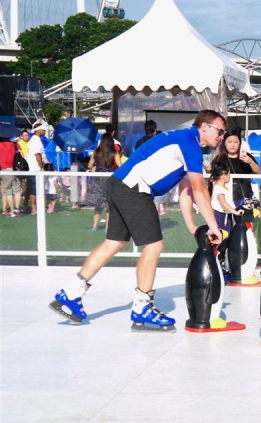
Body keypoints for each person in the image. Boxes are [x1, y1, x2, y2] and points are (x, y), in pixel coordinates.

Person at [49, 110, 226, 332]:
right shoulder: (189, 143)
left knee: (114, 243)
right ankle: (142, 307)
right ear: (205, 126)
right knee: (153, 245)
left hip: (120, 184)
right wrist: (214, 227)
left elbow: (186, 191)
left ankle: (70, 293)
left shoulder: (184, 140)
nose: (221, 136)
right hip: (134, 189)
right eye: (220, 131)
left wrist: (192, 226)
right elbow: (200, 190)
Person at [212, 130, 261, 219]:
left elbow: (258, 172)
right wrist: (208, 169)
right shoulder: (219, 158)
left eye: (235, 142)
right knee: (227, 225)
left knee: (247, 225)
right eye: (229, 142)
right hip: (226, 198)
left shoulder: (246, 156)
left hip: (245, 197)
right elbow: (213, 177)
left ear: (240, 143)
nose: (232, 145)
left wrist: (250, 162)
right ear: (224, 143)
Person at [86, 135, 122, 231]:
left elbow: (89, 165)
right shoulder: (114, 152)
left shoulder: (96, 152)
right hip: (110, 182)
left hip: (98, 181)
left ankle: (95, 226)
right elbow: (120, 166)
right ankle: (107, 227)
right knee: (109, 206)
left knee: (98, 205)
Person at [22, 124, 46, 214]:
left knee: (31, 189)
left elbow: (42, 156)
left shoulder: (35, 140)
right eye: (43, 129)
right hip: (34, 169)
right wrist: (41, 167)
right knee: (33, 189)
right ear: (38, 130)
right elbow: (37, 155)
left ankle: (27, 206)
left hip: (33, 168)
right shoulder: (36, 140)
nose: (44, 131)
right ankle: (33, 208)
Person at [0, 134, 21, 216]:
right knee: (17, 190)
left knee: (8, 191)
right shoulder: (15, 144)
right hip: (16, 169)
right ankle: (17, 209)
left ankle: (12, 211)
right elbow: (21, 155)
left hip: (5, 169)